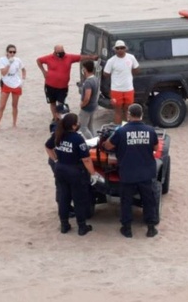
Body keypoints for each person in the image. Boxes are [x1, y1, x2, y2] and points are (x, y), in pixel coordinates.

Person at [103, 103, 159, 238]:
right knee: (148, 201)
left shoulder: (121, 131)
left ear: (128, 114)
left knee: (126, 201)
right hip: (146, 172)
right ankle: (151, 228)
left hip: (128, 172)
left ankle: (127, 229)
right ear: (141, 115)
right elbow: (156, 148)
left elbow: (108, 146)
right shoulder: (150, 130)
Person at [45, 113, 99, 236]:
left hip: (60, 169)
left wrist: (56, 160)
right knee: (79, 199)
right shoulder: (77, 139)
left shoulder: (58, 134)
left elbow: (48, 147)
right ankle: (82, 226)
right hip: (74, 172)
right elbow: (86, 159)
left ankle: (64, 225)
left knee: (64, 198)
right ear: (74, 125)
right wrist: (93, 173)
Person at [37, 45, 98, 122]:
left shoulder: (69, 57)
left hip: (63, 87)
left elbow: (80, 57)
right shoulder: (49, 58)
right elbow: (38, 60)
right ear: (55, 52)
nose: (62, 54)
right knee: (52, 103)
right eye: (59, 52)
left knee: (61, 103)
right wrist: (43, 72)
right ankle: (55, 118)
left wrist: (92, 57)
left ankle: (60, 117)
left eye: (62, 51)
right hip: (49, 85)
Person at [103, 40, 140, 125]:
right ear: (115, 50)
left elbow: (137, 69)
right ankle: (117, 130)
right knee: (118, 111)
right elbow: (105, 73)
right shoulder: (111, 61)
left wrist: (129, 73)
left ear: (125, 49)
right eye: (118, 48)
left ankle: (125, 128)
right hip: (116, 90)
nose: (120, 50)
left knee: (128, 110)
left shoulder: (131, 58)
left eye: (122, 48)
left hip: (129, 89)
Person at [0, 44, 26, 133]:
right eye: (10, 52)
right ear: (7, 52)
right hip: (6, 84)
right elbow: (3, 73)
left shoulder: (18, 60)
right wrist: (9, 63)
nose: (12, 54)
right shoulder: (2, 60)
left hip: (16, 83)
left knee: (14, 105)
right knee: (2, 106)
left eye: (14, 52)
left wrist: (23, 80)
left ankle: (14, 124)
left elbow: (23, 69)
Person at [79, 60, 99, 139]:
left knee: (83, 127)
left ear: (85, 69)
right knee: (90, 126)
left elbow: (87, 97)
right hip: (93, 106)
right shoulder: (95, 79)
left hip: (87, 107)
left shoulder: (88, 82)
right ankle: (94, 139)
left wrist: (82, 104)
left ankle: (92, 142)